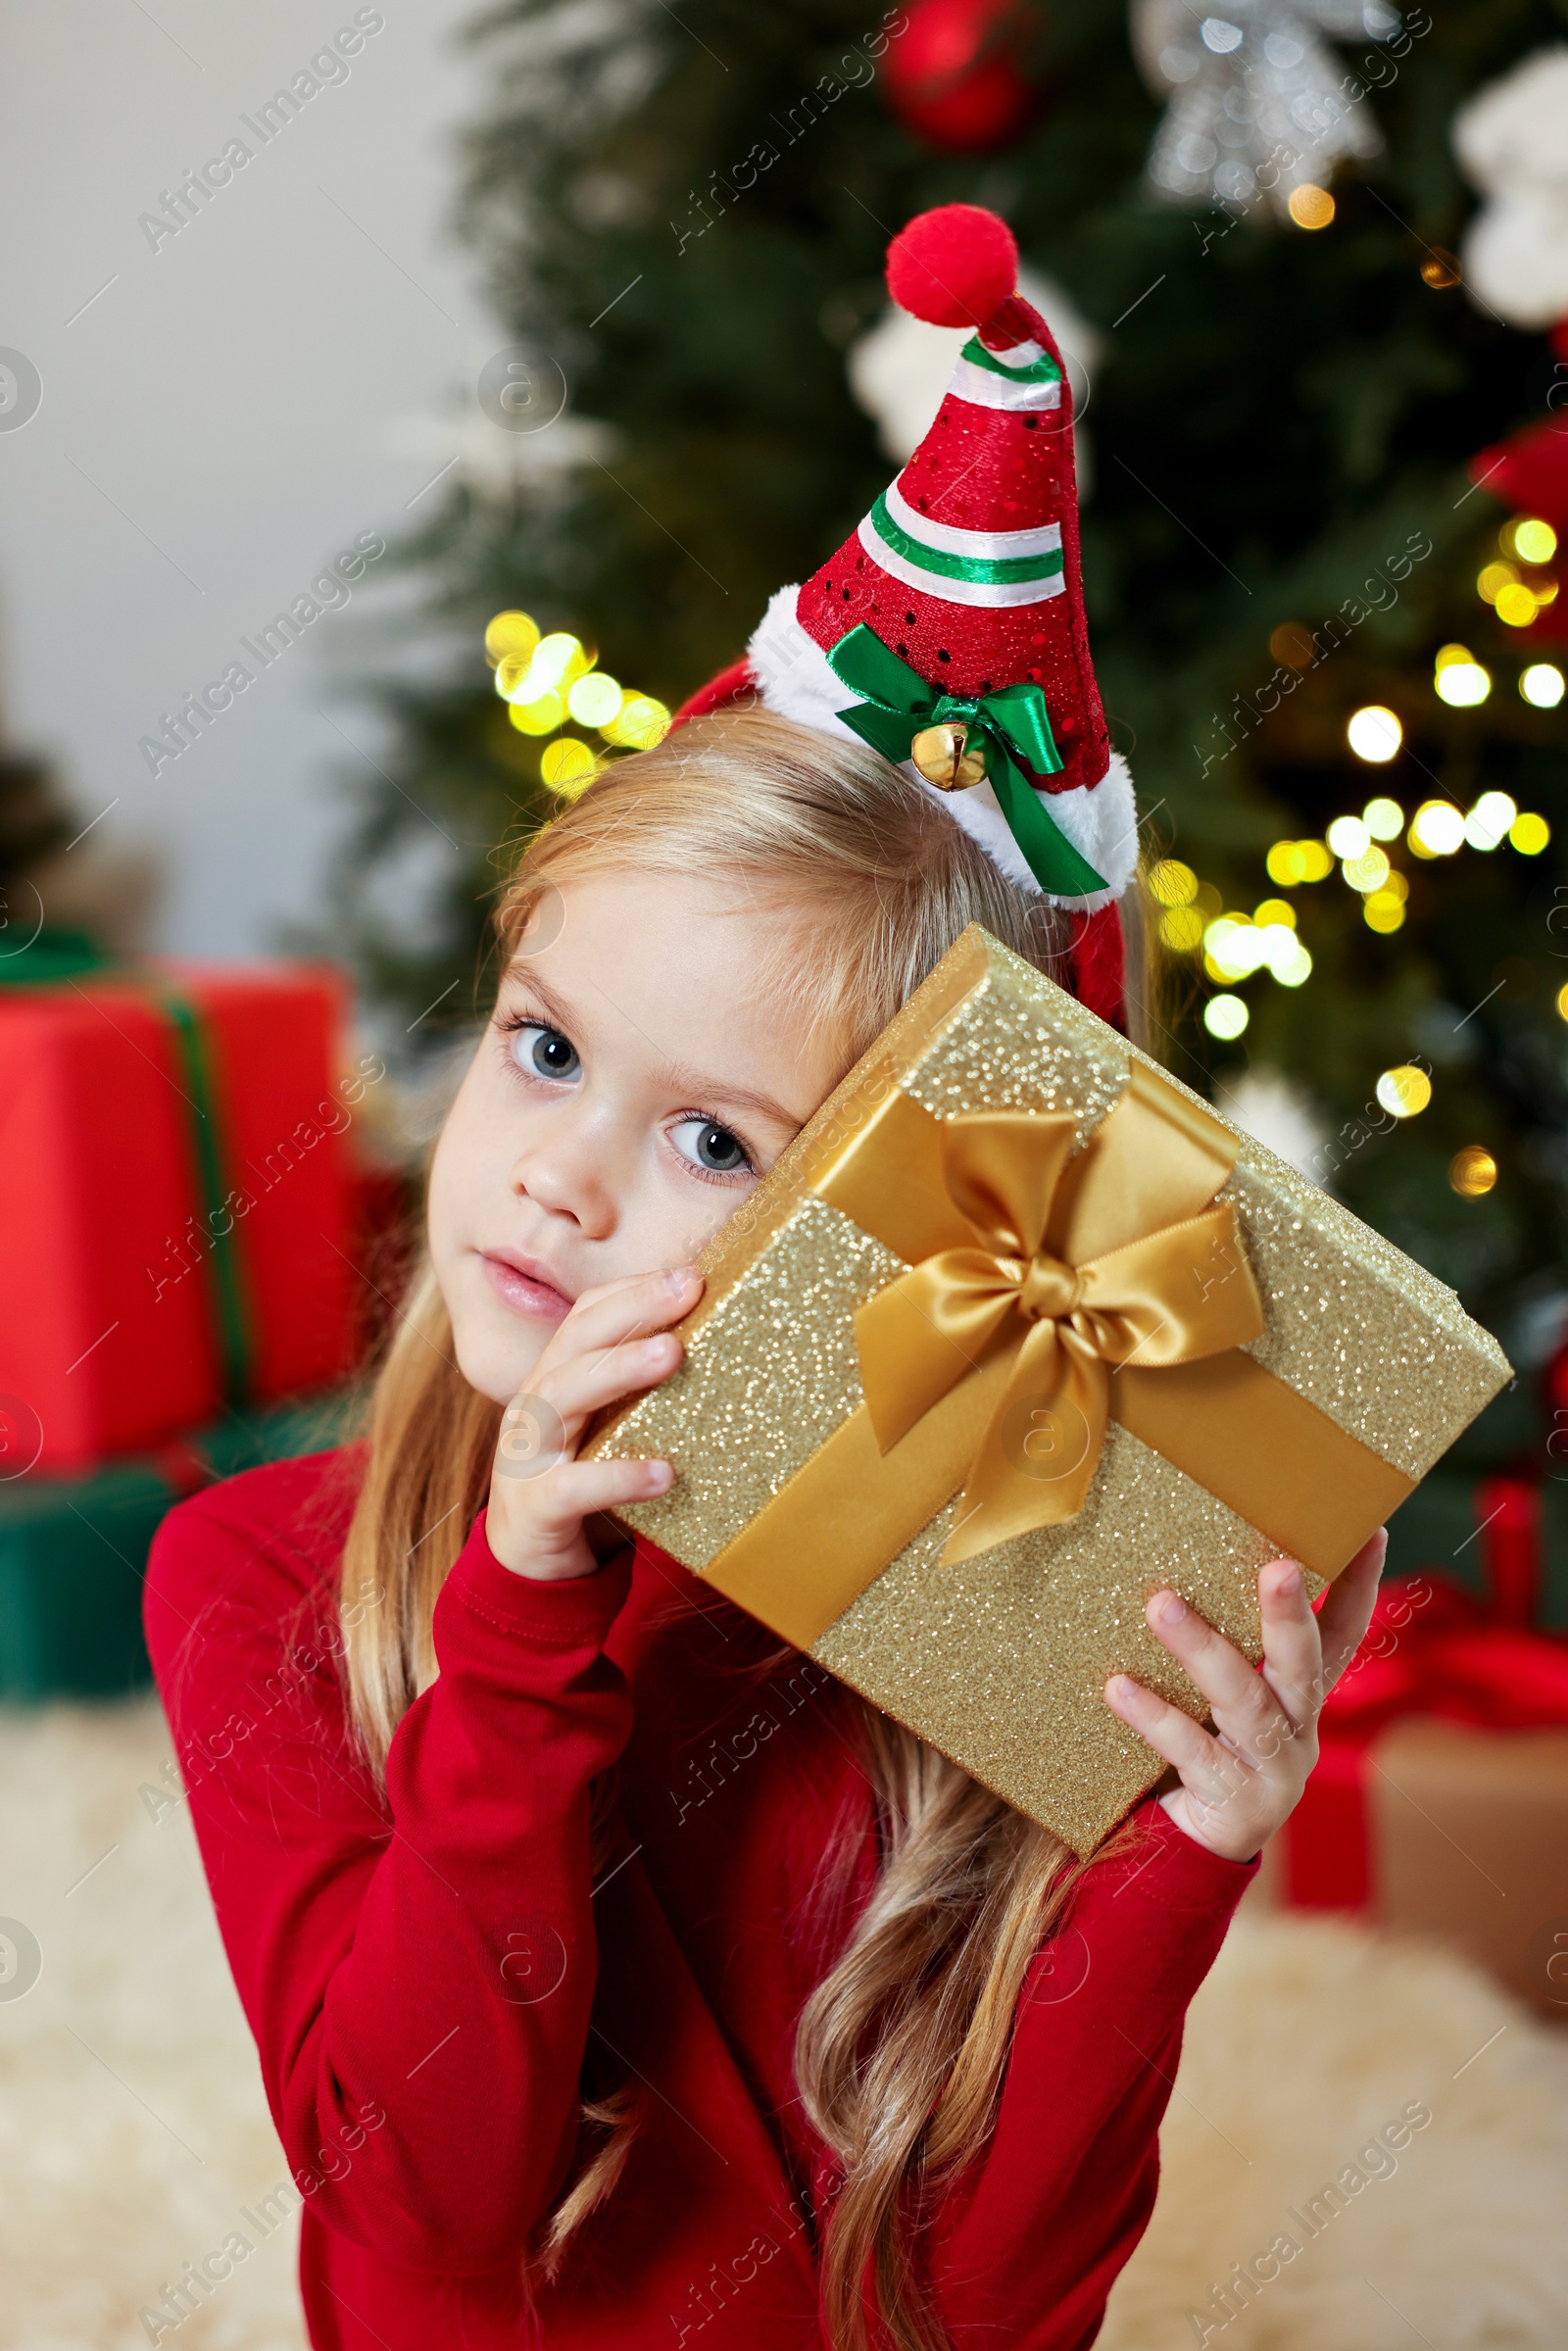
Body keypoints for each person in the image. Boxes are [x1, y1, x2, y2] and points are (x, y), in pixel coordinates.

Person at [145, 208, 1385, 2351]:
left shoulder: (978, 1631)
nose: (555, 1181)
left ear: (920, 1227)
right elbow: (428, 2213)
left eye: (715, 1139)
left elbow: (985, 2306)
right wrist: (519, 1630)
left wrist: (1173, 1857)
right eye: (543, 1050)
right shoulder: (258, 1576)